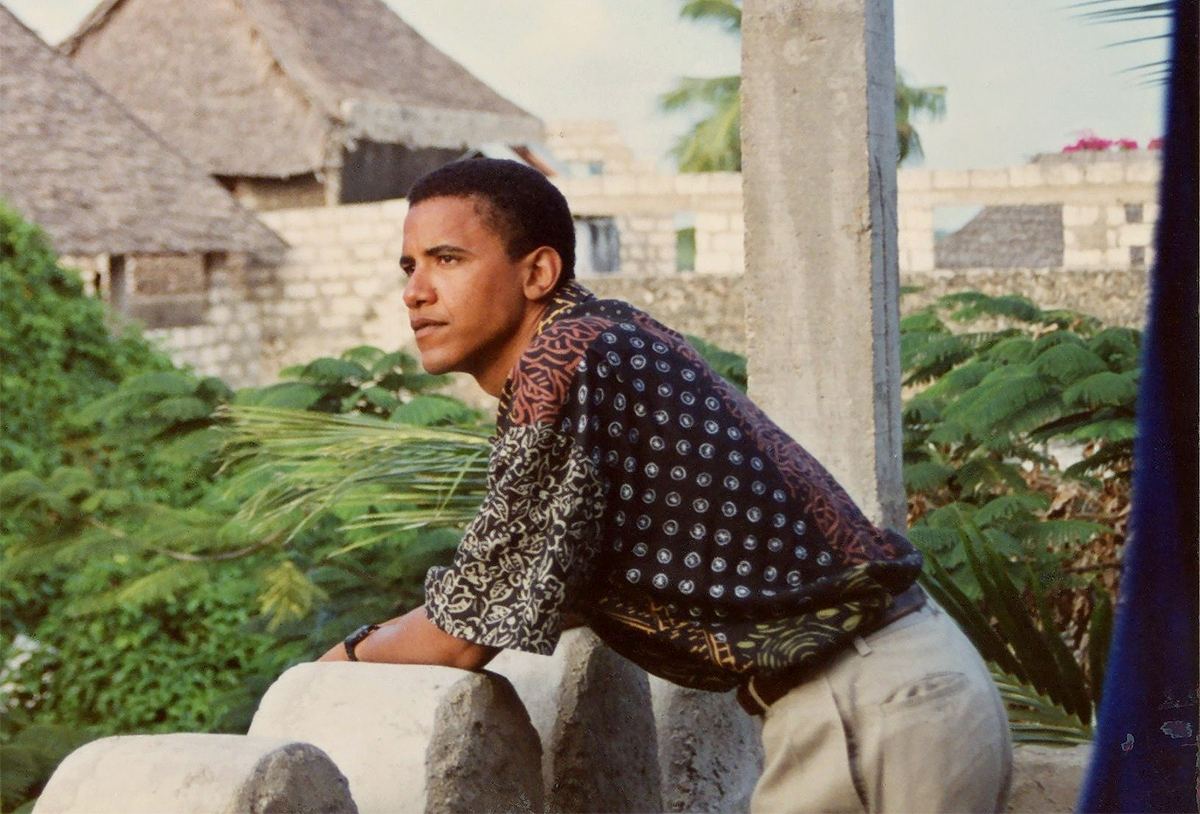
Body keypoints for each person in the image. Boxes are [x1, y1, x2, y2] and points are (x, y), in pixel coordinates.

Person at [319, 158, 1012, 813]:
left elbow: (465, 632)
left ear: (538, 272)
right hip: (892, 692)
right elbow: (530, 588)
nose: (415, 291)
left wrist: (336, 663)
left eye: (448, 259)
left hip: (864, 705)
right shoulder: (604, 337)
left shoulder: (563, 361)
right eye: (409, 266)